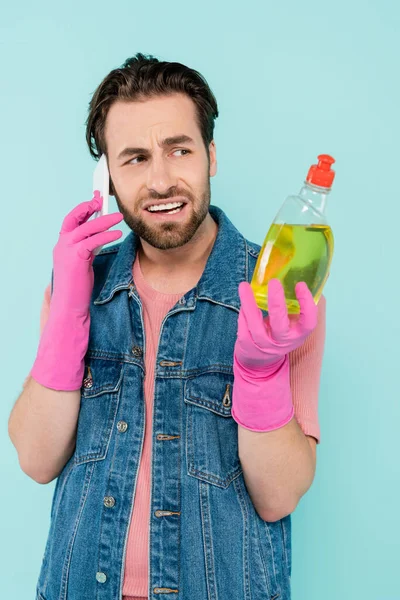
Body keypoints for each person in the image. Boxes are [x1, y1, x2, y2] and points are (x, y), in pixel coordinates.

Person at [9, 53, 326, 600]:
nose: (160, 180)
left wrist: (259, 373)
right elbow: (36, 459)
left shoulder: (279, 294)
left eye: (179, 149)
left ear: (211, 156)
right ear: (106, 175)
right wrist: (68, 316)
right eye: (133, 158)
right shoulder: (82, 284)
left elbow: (279, 496)